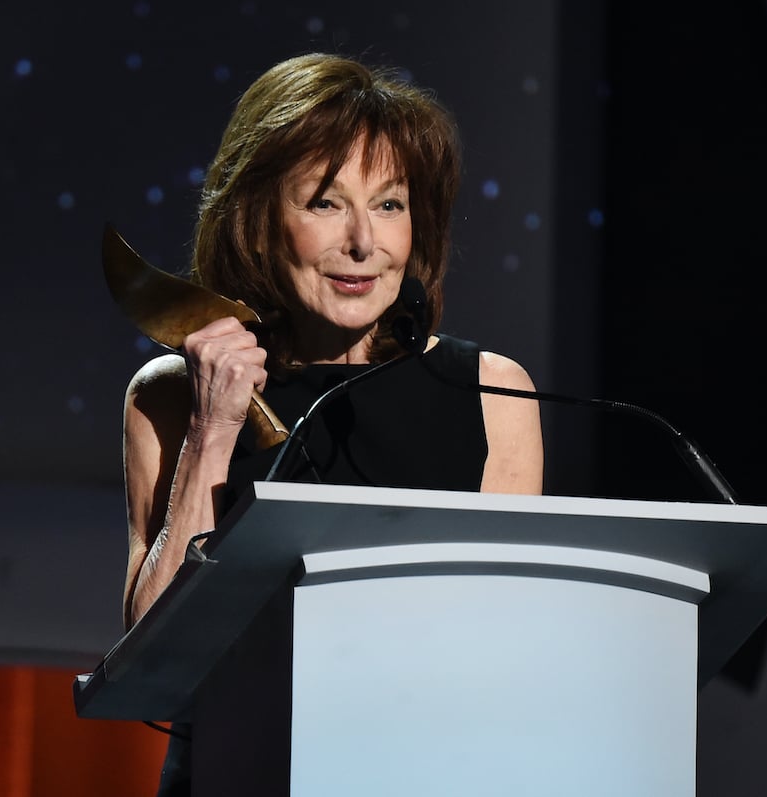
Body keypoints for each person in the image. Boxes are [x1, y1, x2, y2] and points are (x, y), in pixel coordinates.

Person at [119, 52, 544, 792]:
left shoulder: (492, 394)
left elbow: (506, 656)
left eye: (389, 204)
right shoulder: (169, 397)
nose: (362, 243)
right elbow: (150, 665)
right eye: (324, 201)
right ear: (256, 220)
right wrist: (213, 429)